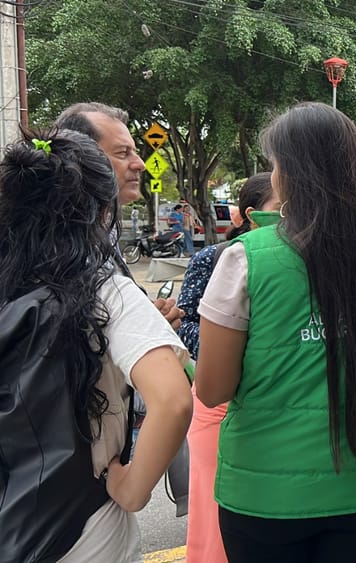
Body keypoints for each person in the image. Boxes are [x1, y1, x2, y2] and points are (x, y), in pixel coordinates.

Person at [194, 102, 356, 563]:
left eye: (276, 164)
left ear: (290, 173)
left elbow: (212, 389)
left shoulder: (246, 259)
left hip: (267, 496)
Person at [0, 128, 192, 562]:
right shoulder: (106, 291)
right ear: (102, 212)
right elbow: (173, 399)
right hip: (88, 531)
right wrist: (134, 489)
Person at [176, 173, 279, 563]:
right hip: (216, 402)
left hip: (265, 404)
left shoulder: (292, 261)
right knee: (213, 510)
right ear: (252, 215)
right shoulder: (215, 258)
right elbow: (186, 325)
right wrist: (234, 348)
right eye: (278, 209)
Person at [54, 102, 183, 329]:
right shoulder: (53, 240)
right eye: (123, 153)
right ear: (79, 158)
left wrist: (147, 320)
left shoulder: (105, 226)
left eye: (134, 151)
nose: (140, 164)